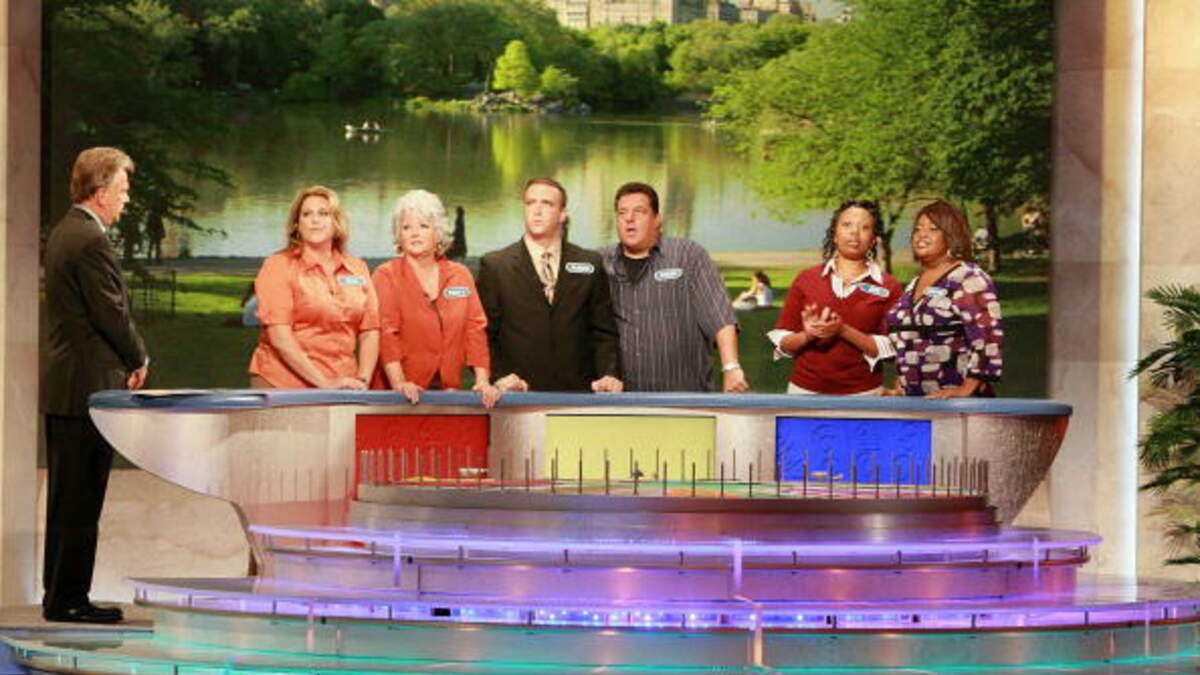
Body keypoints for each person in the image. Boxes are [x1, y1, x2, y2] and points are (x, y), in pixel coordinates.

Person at [42, 147, 149, 623]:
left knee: (68, 500)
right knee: (80, 501)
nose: (127, 199)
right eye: (123, 190)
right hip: (85, 387)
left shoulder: (68, 231)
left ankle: (60, 595)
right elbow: (112, 313)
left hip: (69, 386)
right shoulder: (88, 239)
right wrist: (138, 356)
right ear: (101, 191)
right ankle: (69, 600)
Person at [600, 182, 749, 393]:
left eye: (639, 211)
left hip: (684, 397)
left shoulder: (688, 255)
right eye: (622, 213)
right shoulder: (600, 261)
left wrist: (731, 367)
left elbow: (719, 315)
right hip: (620, 399)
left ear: (657, 219)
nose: (629, 219)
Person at [476, 178, 621, 392]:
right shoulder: (496, 266)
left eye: (547, 203)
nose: (537, 210)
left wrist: (608, 375)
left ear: (563, 214)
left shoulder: (590, 263)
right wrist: (499, 377)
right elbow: (484, 335)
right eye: (530, 203)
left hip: (578, 396)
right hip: (516, 395)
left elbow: (604, 332)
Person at [371, 190, 498, 407]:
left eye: (423, 226)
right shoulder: (386, 275)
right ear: (398, 235)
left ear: (438, 232)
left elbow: (474, 330)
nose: (414, 233)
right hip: (397, 396)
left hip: (448, 392)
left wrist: (482, 381)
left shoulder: (460, 276)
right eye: (406, 227)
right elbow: (387, 334)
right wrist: (399, 384)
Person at [248, 185, 379, 389]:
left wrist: (363, 381)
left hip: (345, 383)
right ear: (297, 225)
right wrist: (325, 384)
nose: (315, 220)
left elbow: (370, 330)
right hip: (283, 382)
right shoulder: (278, 266)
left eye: (323, 213)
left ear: (336, 222)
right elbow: (280, 337)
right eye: (307, 214)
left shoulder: (358, 268)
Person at [767, 200, 902, 395]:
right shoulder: (806, 279)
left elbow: (892, 349)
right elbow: (783, 343)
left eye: (864, 227)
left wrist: (842, 330)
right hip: (804, 395)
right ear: (834, 234)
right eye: (847, 225)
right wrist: (808, 334)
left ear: (873, 239)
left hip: (864, 396)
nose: (854, 232)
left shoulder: (889, 287)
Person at [884, 199, 1003, 398]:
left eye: (933, 229)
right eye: (917, 229)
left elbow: (988, 338)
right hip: (915, 403)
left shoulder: (969, 278)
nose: (921, 235)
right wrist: (899, 387)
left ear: (951, 236)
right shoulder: (914, 284)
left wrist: (966, 389)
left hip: (956, 407)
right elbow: (910, 340)